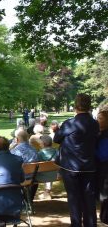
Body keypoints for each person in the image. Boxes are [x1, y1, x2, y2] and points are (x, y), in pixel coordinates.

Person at [53, 93, 99, 227]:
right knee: (88, 199)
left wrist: (58, 130)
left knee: (74, 199)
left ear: (75, 106)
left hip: (71, 168)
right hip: (89, 166)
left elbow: (56, 139)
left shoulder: (69, 123)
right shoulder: (94, 123)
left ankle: (76, 224)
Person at [96, 106, 108, 223]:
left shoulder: (105, 135)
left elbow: (103, 155)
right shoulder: (100, 133)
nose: (97, 120)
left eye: (100, 118)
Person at [37, 135, 57, 200]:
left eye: (40, 143)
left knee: (47, 172)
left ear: (43, 144)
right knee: (49, 171)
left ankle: (47, 192)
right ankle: (47, 191)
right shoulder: (56, 151)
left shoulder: (40, 153)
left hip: (44, 176)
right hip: (57, 174)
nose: (39, 144)